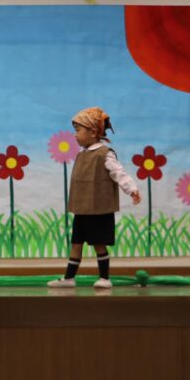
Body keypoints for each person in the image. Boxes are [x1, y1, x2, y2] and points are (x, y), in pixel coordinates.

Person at [48, 107, 141, 289]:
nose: (75, 135)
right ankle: (69, 278)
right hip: (82, 209)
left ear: (92, 132)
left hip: (98, 210)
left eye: (78, 130)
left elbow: (119, 173)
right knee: (76, 244)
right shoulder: (82, 154)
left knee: (99, 244)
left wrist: (131, 189)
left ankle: (104, 278)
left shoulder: (105, 153)